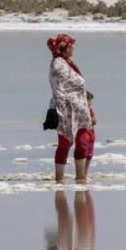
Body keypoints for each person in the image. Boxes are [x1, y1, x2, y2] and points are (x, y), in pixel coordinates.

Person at [47, 33, 93, 183]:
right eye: (71, 45)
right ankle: (59, 179)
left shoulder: (67, 62)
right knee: (65, 142)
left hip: (79, 109)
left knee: (83, 140)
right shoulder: (58, 64)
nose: (73, 48)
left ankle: (81, 176)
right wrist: (60, 111)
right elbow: (58, 88)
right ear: (64, 48)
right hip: (67, 111)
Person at [83, 91, 97, 179]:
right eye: (88, 101)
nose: (90, 103)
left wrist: (92, 120)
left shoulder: (90, 109)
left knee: (90, 154)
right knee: (84, 153)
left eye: (90, 101)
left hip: (91, 133)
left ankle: (85, 173)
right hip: (84, 134)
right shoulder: (82, 110)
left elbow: (94, 121)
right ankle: (83, 173)